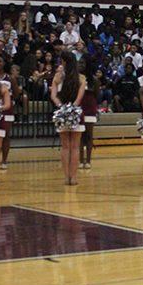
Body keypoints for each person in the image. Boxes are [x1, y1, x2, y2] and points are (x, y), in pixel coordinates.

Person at [50, 51, 86, 186]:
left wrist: (61, 108)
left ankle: (67, 177)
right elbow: (79, 98)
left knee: (65, 147)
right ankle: (74, 177)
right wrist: (73, 109)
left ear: (64, 62)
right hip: (76, 113)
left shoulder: (58, 77)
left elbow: (53, 96)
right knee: (75, 147)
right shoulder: (81, 78)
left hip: (62, 113)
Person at [0, 56, 16, 169]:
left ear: (4, 63)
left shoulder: (10, 78)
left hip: (7, 109)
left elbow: (16, 93)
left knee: (6, 135)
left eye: (0, 61)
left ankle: (4, 161)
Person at [80, 64, 99, 169]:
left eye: (83, 63)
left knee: (89, 135)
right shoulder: (77, 79)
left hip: (90, 108)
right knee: (80, 136)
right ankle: (80, 160)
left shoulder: (94, 80)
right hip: (80, 108)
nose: (81, 65)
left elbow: (97, 94)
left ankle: (88, 161)